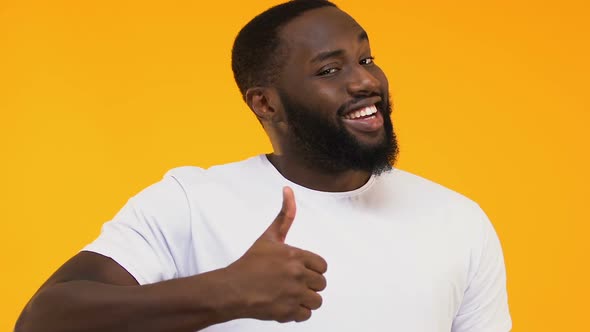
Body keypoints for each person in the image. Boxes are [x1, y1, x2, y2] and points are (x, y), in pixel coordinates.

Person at [15, 1, 512, 331]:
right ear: (265, 104)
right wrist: (224, 292)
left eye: (367, 57)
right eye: (330, 70)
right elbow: (43, 321)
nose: (366, 81)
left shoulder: (458, 219)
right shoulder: (192, 202)